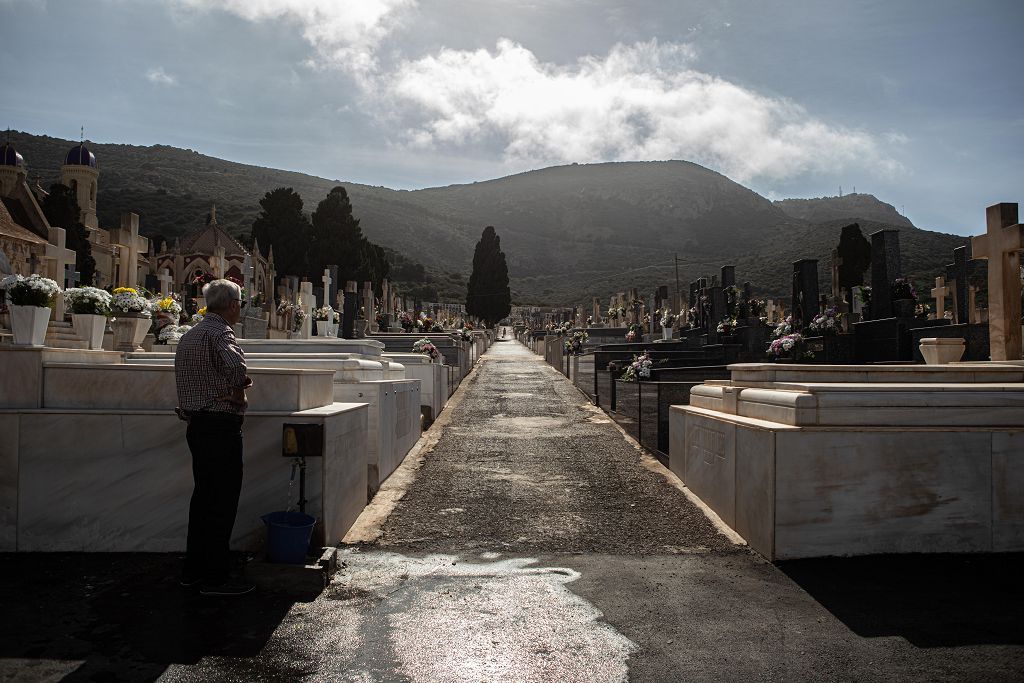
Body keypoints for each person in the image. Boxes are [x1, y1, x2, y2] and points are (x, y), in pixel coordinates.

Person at [174, 279, 254, 596]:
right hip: (221, 425)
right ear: (232, 305)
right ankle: (216, 578)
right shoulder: (220, 332)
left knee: (204, 499)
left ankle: (193, 571)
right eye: (240, 304)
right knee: (222, 501)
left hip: (197, 425)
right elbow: (236, 365)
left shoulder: (190, 335)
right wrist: (238, 391)